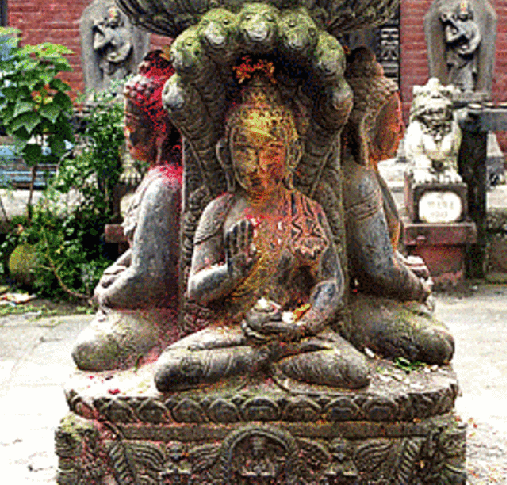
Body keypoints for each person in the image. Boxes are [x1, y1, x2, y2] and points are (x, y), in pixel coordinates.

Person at [153, 65, 368, 392]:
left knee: (351, 369)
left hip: (291, 331)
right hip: (231, 332)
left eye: (272, 150)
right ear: (226, 155)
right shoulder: (219, 211)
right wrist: (230, 272)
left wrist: (302, 325)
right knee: (171, 369)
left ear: (293, 155)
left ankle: (260, 359)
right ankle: (265, 359)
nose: (258, 165)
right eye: (245, 151)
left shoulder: (306, 211)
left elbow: (330, 281)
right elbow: (196, 288)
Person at [341, 47, 455, 365]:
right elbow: (376, 271)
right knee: (438, 344)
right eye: (394, 121)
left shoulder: (370, 173)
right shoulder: (357, 182)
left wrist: (403, 266)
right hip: (355, 300)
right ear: (366, 126)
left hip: (374, 293)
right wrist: (416, 288)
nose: (401, 130)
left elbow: (385, 258)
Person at [72, 51, 182, 372]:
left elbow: (150, 278)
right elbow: (141, 252)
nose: (125, 132)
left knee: (88, 350)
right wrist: (115, 272)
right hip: (136, 299)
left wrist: (106, 294)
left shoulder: (165, 187)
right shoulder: (156, 178)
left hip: (159, 312)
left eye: (132, 124)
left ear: (160, 130)